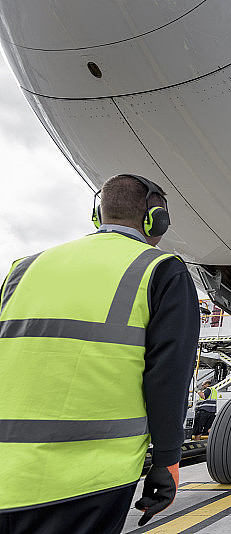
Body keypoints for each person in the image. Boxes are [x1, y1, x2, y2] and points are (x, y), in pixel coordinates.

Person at [0, 174, 200, 532]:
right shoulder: (160, 269)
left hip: (8, 474)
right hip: (87, 478)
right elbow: (168, 379)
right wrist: (167, 460)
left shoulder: (23, 268)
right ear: (156, 220)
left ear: (98, 214)